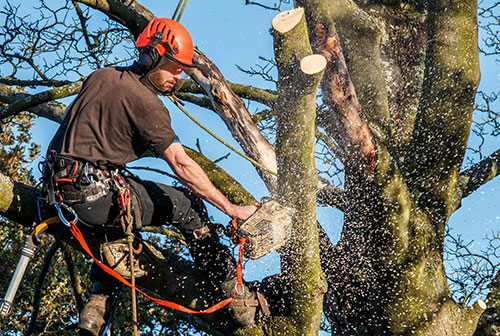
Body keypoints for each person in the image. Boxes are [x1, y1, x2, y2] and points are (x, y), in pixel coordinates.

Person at [42, 18, 266, 335]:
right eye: (174, 68)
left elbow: (78, 125)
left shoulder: (101, 77)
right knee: (187, 204)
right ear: (153, 57)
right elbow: (181, 163)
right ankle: (235, 295)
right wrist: (231, 209)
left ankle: (92, 319)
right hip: (90, 196)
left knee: (118, 235)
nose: (179, 76)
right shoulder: (147, 104)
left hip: (55, 195)